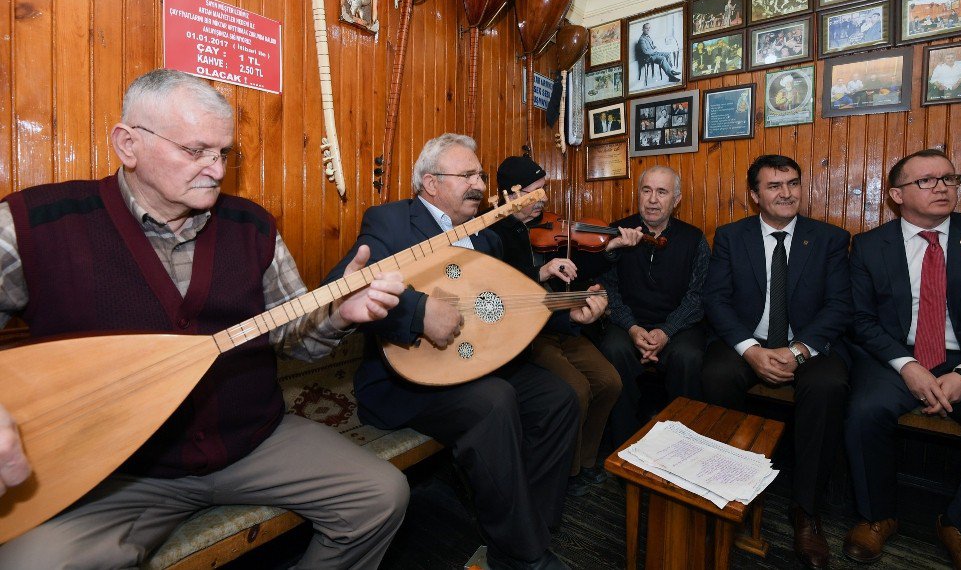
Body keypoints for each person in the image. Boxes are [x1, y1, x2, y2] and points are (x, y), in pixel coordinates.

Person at [0, 69, 409, 569]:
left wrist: (338, 315)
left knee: (381, 495)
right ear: (128, 145)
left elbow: (295, 337)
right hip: (120, 473)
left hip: (253, 441)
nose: (215, 170)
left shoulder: (252, 226)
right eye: (196, 151)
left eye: (224, 154)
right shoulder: (35, 223)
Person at [324, 134, 591, 570]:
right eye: (467, 175)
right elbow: (345, 285)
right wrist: (418, 310)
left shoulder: (486, 235)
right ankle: (525, 557)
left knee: (558, 398)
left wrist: (568, 315)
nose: (480, 185)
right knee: (494, 402)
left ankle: (528, 530)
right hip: (408, 379)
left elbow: (503, 306)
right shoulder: (391, 222)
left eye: (480, 175)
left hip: (473, 364)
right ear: (430, 182)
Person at [844, 149, 961, 570]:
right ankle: (877, 515)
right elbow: (860, 319)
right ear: (896, 193)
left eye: (949, 179)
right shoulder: (870, 245)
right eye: (927, 181)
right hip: (896, 355)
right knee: (864, 411)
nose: (942, 188)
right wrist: (907, 365)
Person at [701, 154, 852, 570]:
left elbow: (840, 306)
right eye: (774, 186)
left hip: (808, 346)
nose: (786, 193)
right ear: (755, 195)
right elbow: (715, 299)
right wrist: (750, 349)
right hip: (749, 341)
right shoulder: (732, 236)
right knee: (715, 374)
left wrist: (798, 350)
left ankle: (807, 511)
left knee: (828, 385)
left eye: (792, 184)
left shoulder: (830, 238)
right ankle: (726, 488)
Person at [490, 155, 630, 496]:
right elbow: (500, 294)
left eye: (544, 191)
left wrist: (582, 294)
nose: (543, 200)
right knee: (576, 390)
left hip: (557, 324)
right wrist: (543, 275)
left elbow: (569, 265)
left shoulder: (538, 228)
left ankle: (585, 461)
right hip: (528, 334)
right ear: (510, 195)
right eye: (536, 193)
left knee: (609, 381)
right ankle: (564, 472)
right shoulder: (494, 234)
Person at [594, 166, 710, 448]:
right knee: (613, 348)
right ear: (639, 195)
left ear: (676, 200)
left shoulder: (694, 239)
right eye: (646, 191)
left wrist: (665, 332)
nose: (653, 199)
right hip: (627, 323)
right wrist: (633, 329)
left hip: (677, 326)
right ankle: (625, 443)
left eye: (662, 192)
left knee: (688, 357)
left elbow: (697, 297)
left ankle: (683, 444)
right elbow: (608, 289)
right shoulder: (618, 233)